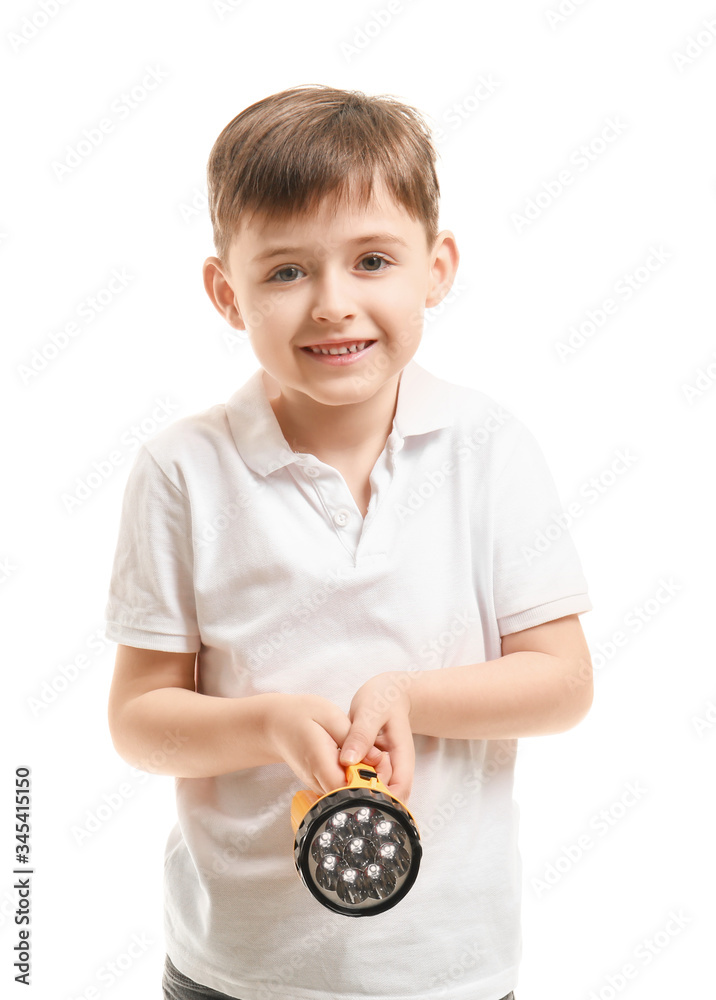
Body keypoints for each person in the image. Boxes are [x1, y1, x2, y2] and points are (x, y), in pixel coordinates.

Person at [104, 84, 593, 1000]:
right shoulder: (182, 471)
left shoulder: (488, 449)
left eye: (372, 260)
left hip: (449, 970)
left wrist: (409, 696)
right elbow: (138, 720)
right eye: (286, 271)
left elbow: (563, 684)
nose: (333, 303)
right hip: (235, 969)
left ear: (437, 268)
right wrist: (267, 723)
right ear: (225, 291)